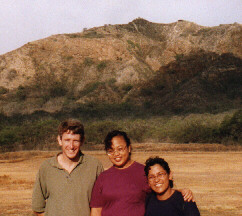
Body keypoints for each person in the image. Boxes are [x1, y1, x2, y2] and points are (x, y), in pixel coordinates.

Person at [90, 130, 194, 216]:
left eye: (120, 149)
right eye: (111, 150)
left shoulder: (144, 172)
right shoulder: (103, 177)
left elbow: (161, 190)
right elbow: (96, 211)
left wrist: (181, 192)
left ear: (129, 148)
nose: (116, 154)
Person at [32, 119, 104, 216]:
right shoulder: (46, 167)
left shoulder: (94, 166)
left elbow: (100, 206)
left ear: (82, 141)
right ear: (59, 140)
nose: (71, 146)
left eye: (76, 141)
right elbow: (38, 208)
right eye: (67, 140)